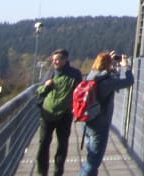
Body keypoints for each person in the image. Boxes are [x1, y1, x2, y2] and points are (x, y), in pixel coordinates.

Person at [78, 51, 134, 176]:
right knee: (93, 163)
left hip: (87, 122)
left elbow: (105, 73)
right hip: (100, 124)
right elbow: (129, 81)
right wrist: (125, 66)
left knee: (91, 157)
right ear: (108, 65)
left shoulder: (91, 76)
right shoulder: (107, 82)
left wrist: (109, 61)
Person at [35, 48, 82, 176]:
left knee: (62, 146)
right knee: (43, 144)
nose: (55, 62)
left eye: (57, 59)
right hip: (47, 114)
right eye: (53, 59)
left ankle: (58, 172)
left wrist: (79, 110)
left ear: (65, 60)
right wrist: (46, 86)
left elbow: (80, 93)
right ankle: (42, 172)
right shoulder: (50, 73)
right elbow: (39, 90)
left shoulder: (75, 74)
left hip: (65, 115)